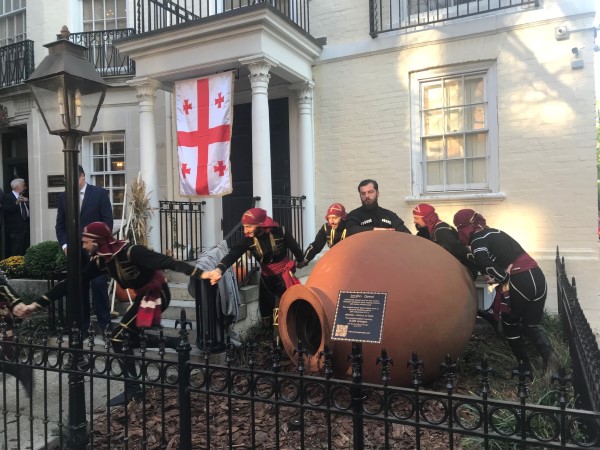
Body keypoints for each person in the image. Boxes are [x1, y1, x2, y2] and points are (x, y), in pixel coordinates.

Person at [13, 222, 210, 406]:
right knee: (129, 339)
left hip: (156, 293)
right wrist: (35, 305)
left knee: (118, 338)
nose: (83, 245)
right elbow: (73, 282)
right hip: (143, 296)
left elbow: (168, 261)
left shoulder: (132, 252)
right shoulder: (103, 261)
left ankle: (133, 390)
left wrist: (202, 274)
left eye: (85, 241)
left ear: (97, 241)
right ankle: (173, 344)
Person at [453, 209, 557, 376]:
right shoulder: (496, 232)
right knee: (531, 325)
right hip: (537, 276)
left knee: (510, 324)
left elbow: (483, 260)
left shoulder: (478, 239)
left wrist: (502, 276)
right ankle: (551, 363)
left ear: (464, 228)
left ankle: (524, 367)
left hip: (519, 281)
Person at [204, 208, 304, 337]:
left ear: (260, 224)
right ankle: (271, 344)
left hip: (283, 278)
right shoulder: (248, 240)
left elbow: (295, 248)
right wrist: (219, 269)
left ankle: (282, 346)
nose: (245, 231)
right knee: (265, 314)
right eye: (244, 227)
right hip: (266, 279)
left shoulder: (280, 232)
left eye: (248, 227)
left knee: (280, 311)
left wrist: (300, 260)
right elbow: (233, 254)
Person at [56, 165, 113, 333]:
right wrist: (65, 245)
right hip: (74, 253)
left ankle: (105, 325)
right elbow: (60, 226)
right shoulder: (64, 197)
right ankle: (82, 326)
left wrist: (97, 244)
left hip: (95, 251)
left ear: (82, 177)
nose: (70, 183)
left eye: (73, 179)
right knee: (79, 288)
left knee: (98, 285)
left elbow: (107, 222)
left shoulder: (99, 194)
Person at [412, 203, 478, 279]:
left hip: (457, 276)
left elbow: (460, 250)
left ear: (426, 218)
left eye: (417, 218)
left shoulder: (441, 231)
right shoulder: (434, 230)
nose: (414, 221)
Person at [345, 179, 411, 235]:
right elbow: (351, 230)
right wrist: (376, 231)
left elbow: (406, 234)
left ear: (377, 193)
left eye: (370, 192)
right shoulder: (353, 215)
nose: (367, 196)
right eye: (363, 193)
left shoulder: (389, 215)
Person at [297, 203, 347, 268]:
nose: (331, 221)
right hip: (335, 261)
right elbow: (316, 245)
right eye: (329, 218)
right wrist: (304, 260)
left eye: (335, 218)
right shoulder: (326, 228)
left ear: (343, 217)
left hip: (350, 260)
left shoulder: (350, 226)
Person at [1, 178, 30, 257]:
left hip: (25, 228)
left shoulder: (25, 197)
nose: (25, 187)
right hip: (14, 230)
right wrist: (17, 202)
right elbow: (6, 209)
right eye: (23, 185)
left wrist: (27, 202)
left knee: (25, 250)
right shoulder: (7, 197)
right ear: (17, 186)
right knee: (15, 250)